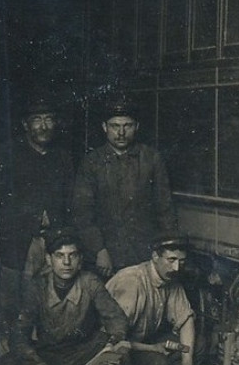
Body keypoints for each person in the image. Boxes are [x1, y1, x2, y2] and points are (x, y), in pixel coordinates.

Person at [0, 94, 75, 365]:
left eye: (49, 119)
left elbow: (71, 204)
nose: (44, 126)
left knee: (49, 308)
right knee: (11, 311)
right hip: (14, 246)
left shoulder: (63, 158)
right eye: (37, 120)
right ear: (25, 125)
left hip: (53, 246)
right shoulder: (6, 155)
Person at [9, 228, 140, 365]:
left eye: (72, 255)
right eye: (60, 256)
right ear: (49, 260)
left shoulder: (90, 282)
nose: (67, 262)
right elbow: (18, 337)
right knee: (8, 364)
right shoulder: (36, 288)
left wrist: (112, 345)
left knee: (119, 355)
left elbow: (117, 320)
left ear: (80, 260)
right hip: (50, 355)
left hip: (85, 351)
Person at [107, 236, 233, 365]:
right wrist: (152, 348)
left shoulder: (170, 279)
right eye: (171, 260)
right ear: (155, 257)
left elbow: (185, 319)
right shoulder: (132, 282)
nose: (177, 268)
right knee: (151, 360)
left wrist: (187, 361)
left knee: (194, 346)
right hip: (112, 344)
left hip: (142, 339)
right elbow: (114, 338)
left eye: (181, 262)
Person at [73, 97, 178, 276]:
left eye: (127, 126)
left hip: (144, 253)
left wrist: (169, 251)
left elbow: (165, 209)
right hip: (106, 257)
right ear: (105, 127)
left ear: (136, 127)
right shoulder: (92, 163)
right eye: (115, 126)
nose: (121, 132)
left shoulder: (151, 159)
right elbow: (82, 213)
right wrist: (99, 250)